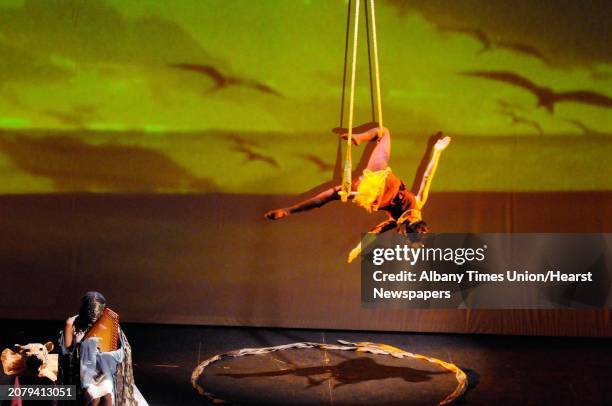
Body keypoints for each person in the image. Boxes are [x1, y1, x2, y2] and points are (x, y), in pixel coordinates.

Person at [264, 126, 451, 262]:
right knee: (331, 195)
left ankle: (361, 137)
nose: (401, 235)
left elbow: (427, 176)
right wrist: (358, 248)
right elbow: (374, 233)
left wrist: (437, 152)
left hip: (377, 180)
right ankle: (288, 211)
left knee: (384, 132)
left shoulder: (416, 205)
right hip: (369, 190)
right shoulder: (399, 220)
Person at [59, 291, 147, 405]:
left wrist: (108, 352)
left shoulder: (108, 323)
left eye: (97, 314)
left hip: (103, 370)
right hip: (82, 371)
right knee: (94, 398)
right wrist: (77, 344)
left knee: (108, 397)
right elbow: (66, 354)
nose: (93, 318)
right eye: (90, 313)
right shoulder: (72, 323)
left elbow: (123, 348)